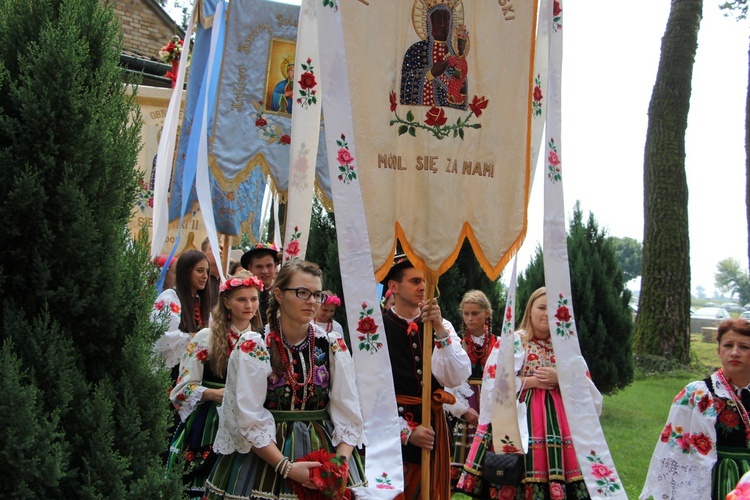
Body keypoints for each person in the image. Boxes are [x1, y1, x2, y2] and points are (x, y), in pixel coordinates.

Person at [205, 260, 367, 499]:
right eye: (302, 292)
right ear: (279, 294)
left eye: (317, 294)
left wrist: (337, 465)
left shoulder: (332, 345)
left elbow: (348, 411)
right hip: (266, 456)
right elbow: (248, 416)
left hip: (324, 451)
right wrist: (286, 467)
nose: (311, 301)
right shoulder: (255, 345)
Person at [458, 287, 595, 499]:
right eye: (541, 307)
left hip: (560, 423)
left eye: (553, 309)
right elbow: (495, 382)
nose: (547, 314)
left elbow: (587, 387)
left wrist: (559, 378)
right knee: (514, 477)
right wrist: (533, 381)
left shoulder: (566, 347)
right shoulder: (515, 341)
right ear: (530, 310)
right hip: (520, 419)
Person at [167, 270, 264, 499]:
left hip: (248, 423)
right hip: (209, 423)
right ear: (227, 302)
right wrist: (213, 393)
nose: (249, 305)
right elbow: (181, 389)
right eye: (241, 299)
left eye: (254, 299)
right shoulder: (205, 338)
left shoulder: (262, 339)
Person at [382, 255, 471, 499]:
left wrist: (439, 329)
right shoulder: (377, 330)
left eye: (425, 281)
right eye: (415, 281)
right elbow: (368, 393)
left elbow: (456, 376)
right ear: (394, 287)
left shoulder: (441, 326)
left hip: (433, 428)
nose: (423, 287)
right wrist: (408, 432)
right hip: (389, 431)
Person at [641, 318, 750, 500]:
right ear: (718, 351)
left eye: (744, 347)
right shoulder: (698, 393)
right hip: (714, 478)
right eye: (728, 345)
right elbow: (674, 447)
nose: (735, 352)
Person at [445, 290, 496, 490]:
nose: (469, 318)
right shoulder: (456, 344)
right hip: (464, 400)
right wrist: (463, 409)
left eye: (475, 313)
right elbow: (449, 381)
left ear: (487, 314)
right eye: (466, 313)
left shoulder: (498, 343)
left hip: (489, 400)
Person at [400, 1, 467, 110]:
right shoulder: (415, 50)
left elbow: (463, 91)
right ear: (429, 22)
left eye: (446, 19)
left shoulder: (457, 56)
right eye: (438, 19)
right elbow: (404, 83)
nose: (442, 25)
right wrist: (429, 75)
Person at [151, 249, 212, 370]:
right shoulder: (169, 298)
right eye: (200, 271)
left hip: (189, 372)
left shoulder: (199, 301)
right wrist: (197, 338)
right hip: (165, 373)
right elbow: (163, 336)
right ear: (186, 272)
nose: (205, 276)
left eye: (207, 271)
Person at [240, 242, 281, 326]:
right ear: (250, 268)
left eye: (269, 266)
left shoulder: (283, 292)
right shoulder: (241, 293)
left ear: (275, 266)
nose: (265, 271)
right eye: (259, 267)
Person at [446, 24, 469, 106]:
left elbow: (462, 71)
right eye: (458, 44)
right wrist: (448, 57)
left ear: (464, 46)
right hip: (455, 76)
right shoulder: (456, 56)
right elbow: (452, 62)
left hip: (460, 78)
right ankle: (452, 96)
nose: (459, 46)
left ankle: (457, 98)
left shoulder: (463, 60)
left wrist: (455, 72)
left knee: (456, 84)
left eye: (461, 45)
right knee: (452, 81)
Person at [202, 237, 221, 310]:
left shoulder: (230, 281)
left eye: (222, 249)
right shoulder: (200, 280)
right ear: (203, 254)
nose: (219, 251)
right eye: (213, 249)